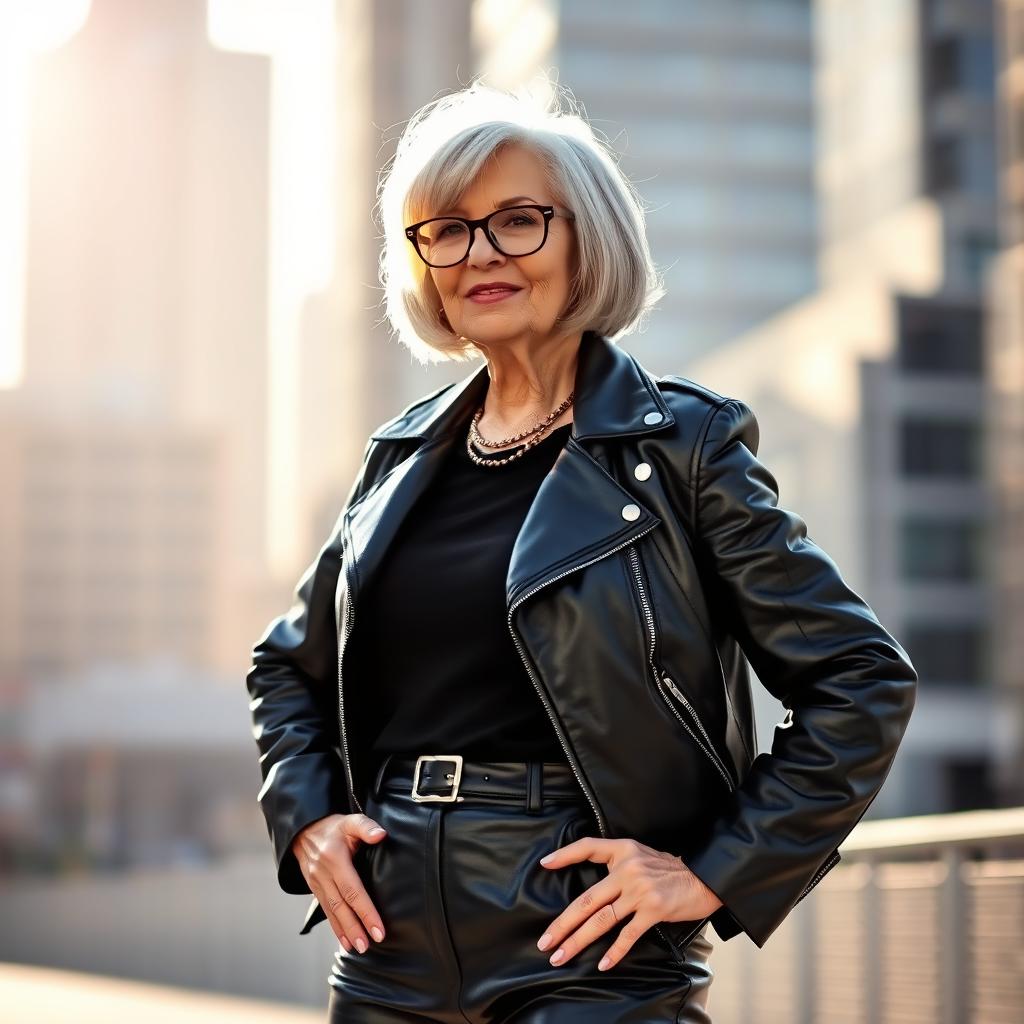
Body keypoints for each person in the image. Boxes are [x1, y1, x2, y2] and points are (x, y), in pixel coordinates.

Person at [245, 77, 918, 1023]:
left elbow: (861, 677)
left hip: (588, 946)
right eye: (446, 228)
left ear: (585, 237)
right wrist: (307, 821)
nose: (479, 252)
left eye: (518, 220)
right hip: (386, 948)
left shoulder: (686, 446)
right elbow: (286, 665)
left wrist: (715, 873)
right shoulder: (399, 459)